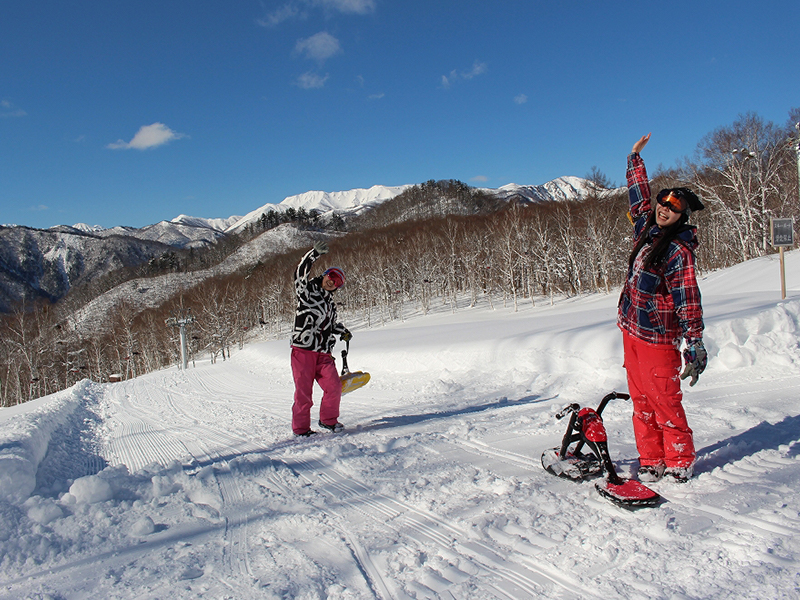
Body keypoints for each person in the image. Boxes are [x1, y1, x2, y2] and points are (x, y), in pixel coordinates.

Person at [618, 133, 707, 483]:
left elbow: (687, 299)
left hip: (657, 337)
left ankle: (679, 460)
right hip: (631, 330)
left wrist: (694, 341)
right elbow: (639, 200)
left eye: (672, 207)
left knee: (664, 400)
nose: (663, 209)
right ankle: (651, 458)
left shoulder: (677, 252)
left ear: (682, 216)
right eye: (662, 203)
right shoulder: (647, 230)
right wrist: (634, 159)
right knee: (640, 400)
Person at [290, 241, 352, 437]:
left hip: (324, 352)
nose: (333, 282)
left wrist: (342, 331)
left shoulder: (331, 305)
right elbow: (299, 274)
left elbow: (330, 325)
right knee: (304, 394)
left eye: (338, 282)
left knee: (334, 386)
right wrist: (313, 254)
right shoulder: (307, 292)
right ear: (325, 274)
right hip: (304, 350)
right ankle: (300, 429)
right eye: (332, 277)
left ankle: (328, 420)